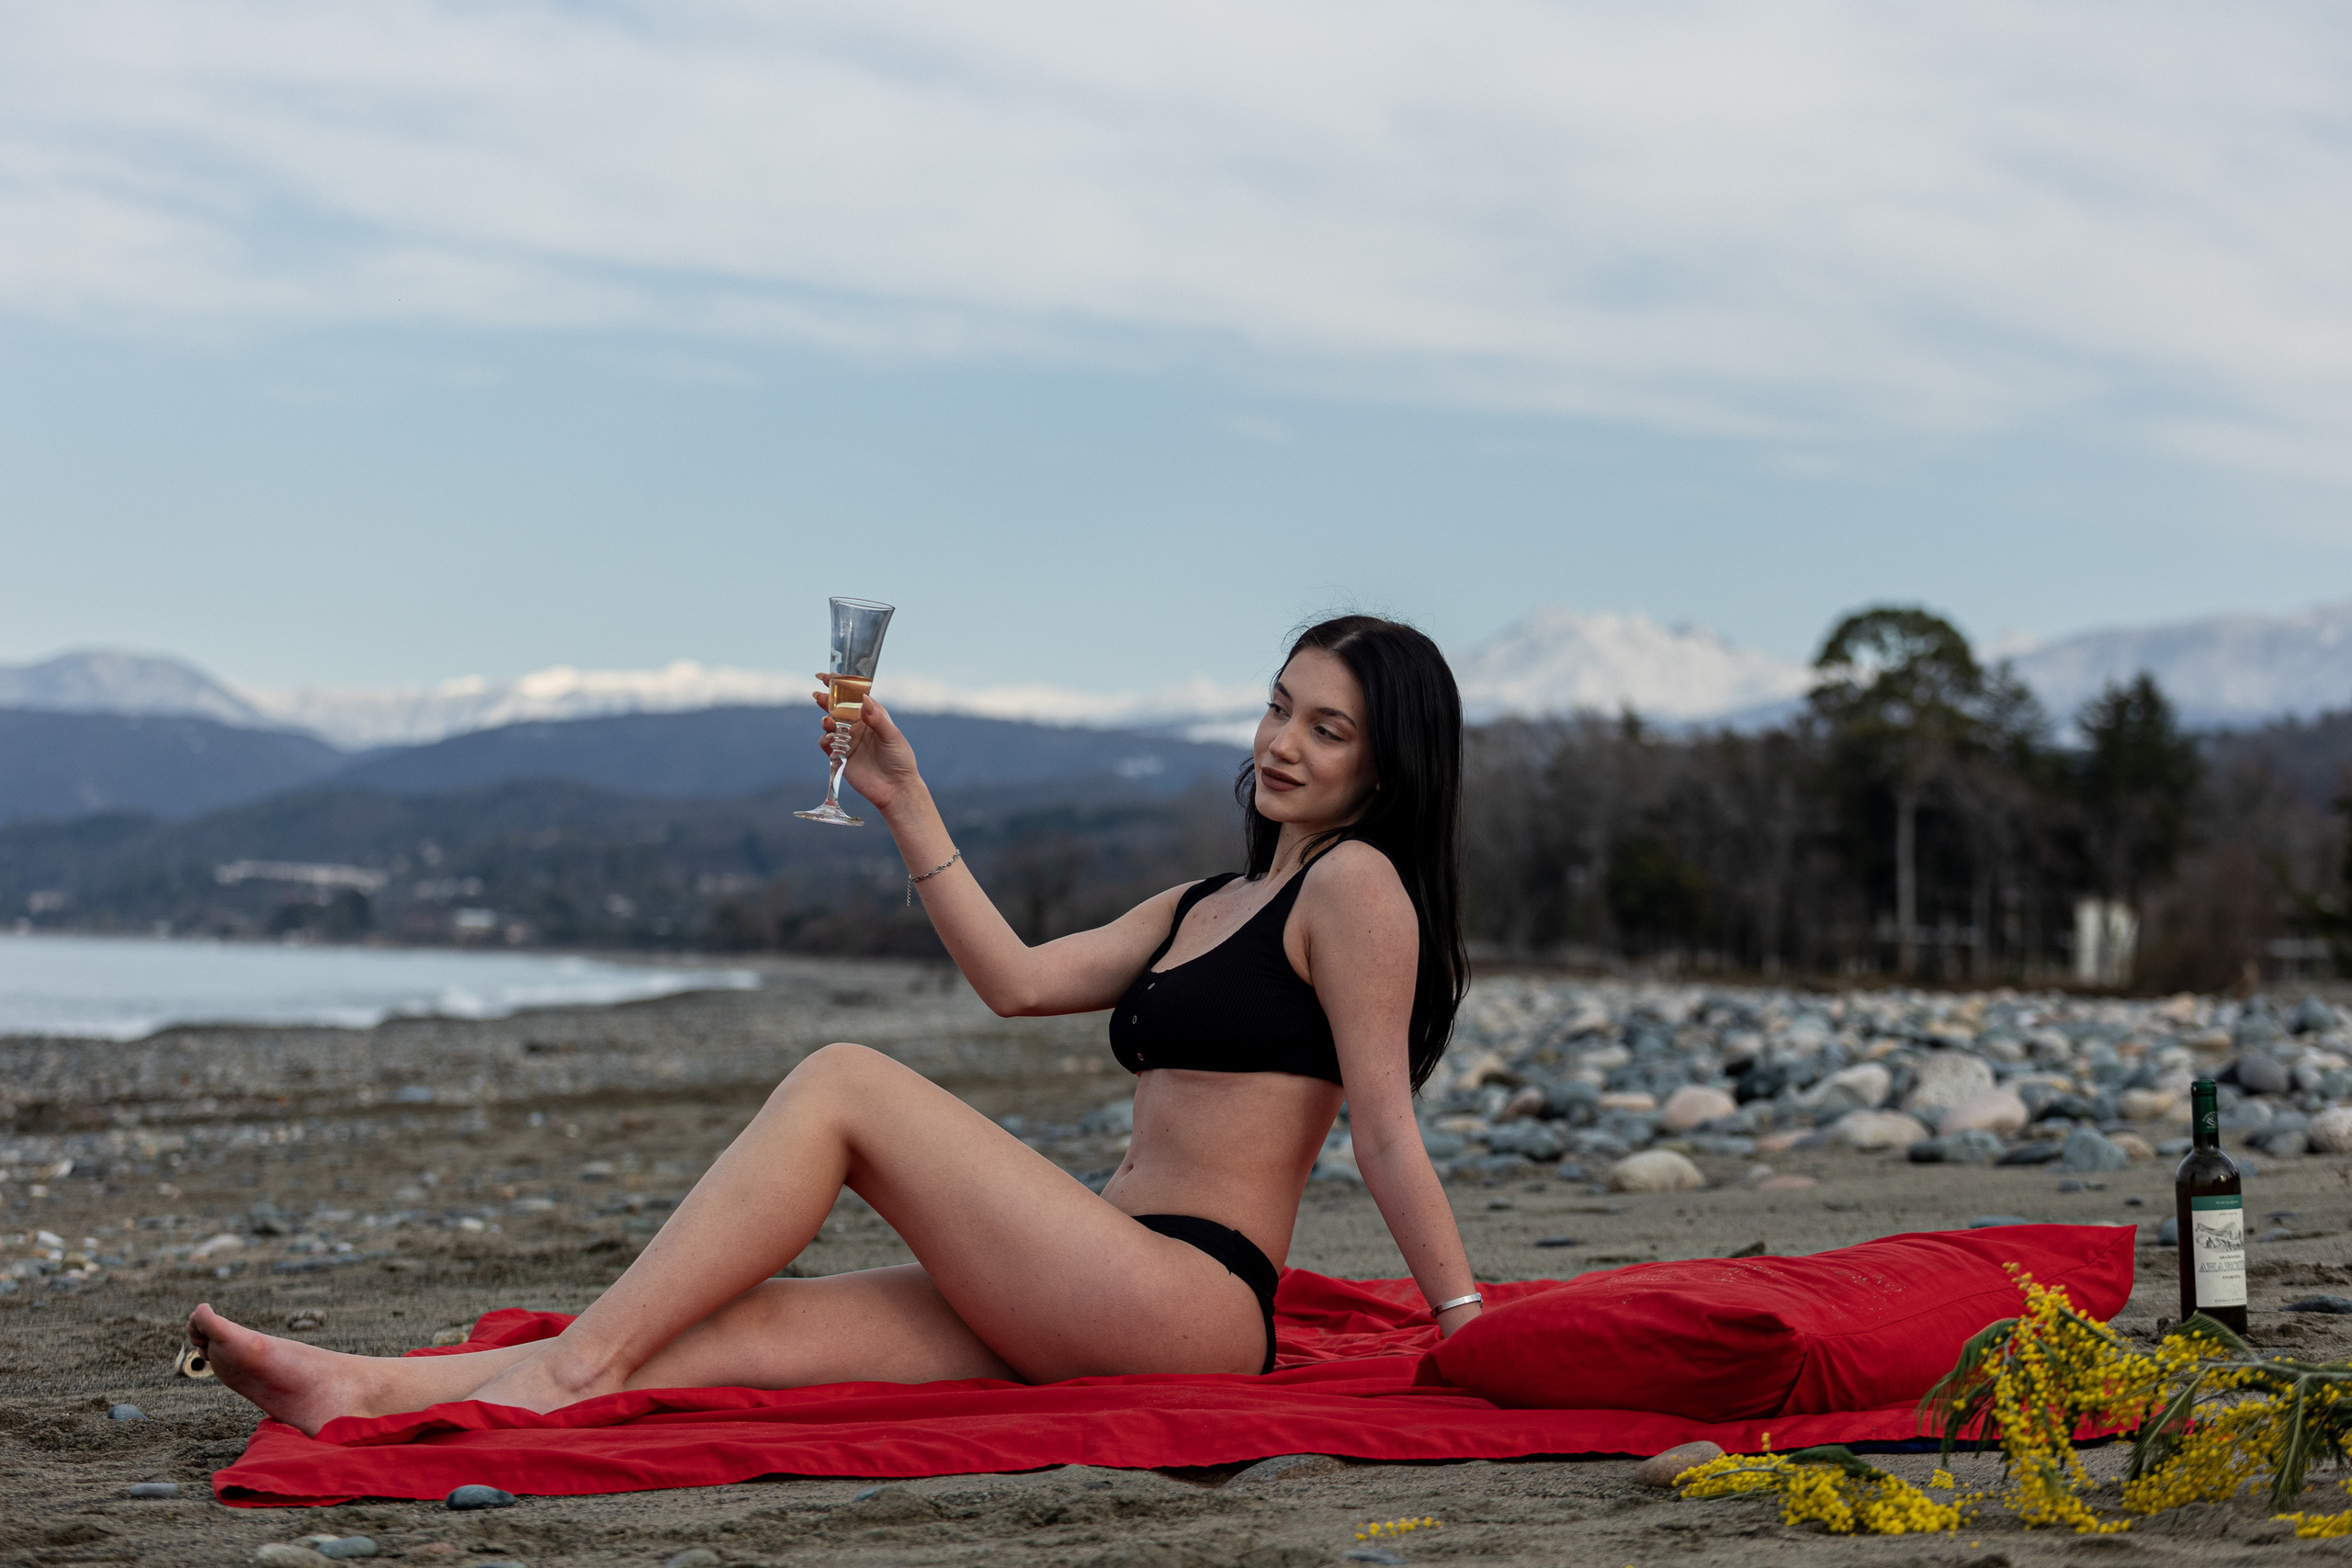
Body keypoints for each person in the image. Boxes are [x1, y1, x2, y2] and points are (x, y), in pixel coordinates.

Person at [186, 615, 1482, 1437]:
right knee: (739, 1332)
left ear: (1386, 763)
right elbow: (1018, 980)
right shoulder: (1215, 896)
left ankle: (563, 1380)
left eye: (1329, 728)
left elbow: (1385, 1136)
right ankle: (361, 1388)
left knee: (845, 1077)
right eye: (1277, 707)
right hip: (1091, 1273)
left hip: (1190, 1307)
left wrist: (1467, 1320)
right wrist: (905, 798)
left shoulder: (1354, 889)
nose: (1283, 742)